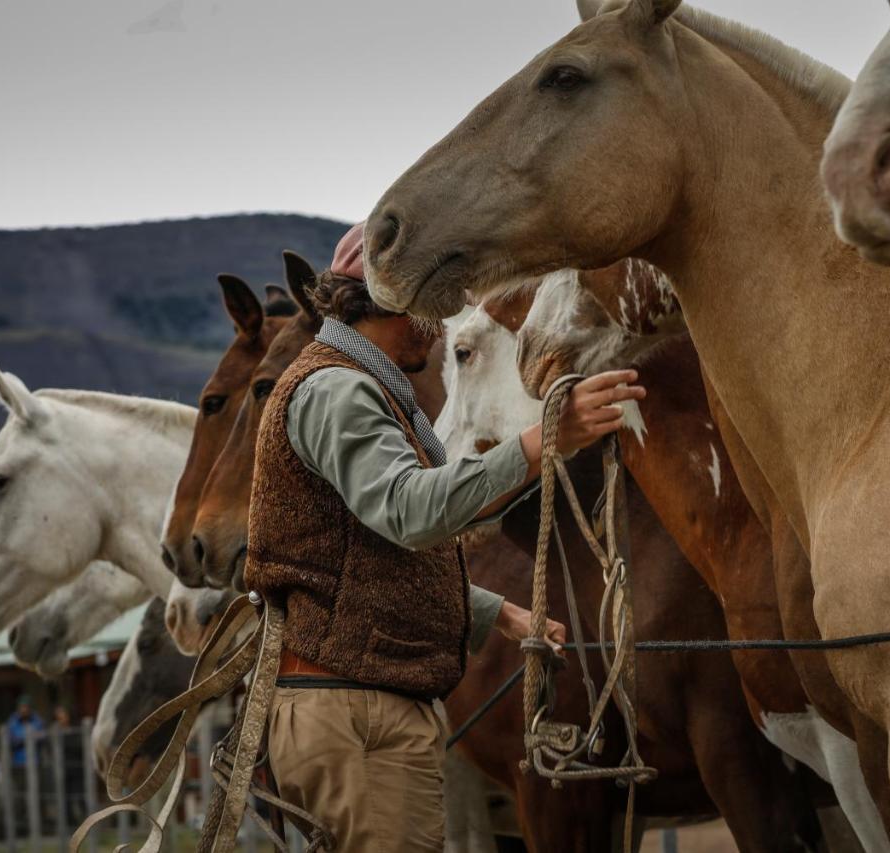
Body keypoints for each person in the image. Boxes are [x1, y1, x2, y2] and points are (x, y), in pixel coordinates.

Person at [244, 221, 646, 852]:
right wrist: (542, 441)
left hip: (352, 705)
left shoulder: (350, 384)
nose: (436, 335)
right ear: (398, 308)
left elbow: (362, 555)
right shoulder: (340, 391)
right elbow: (409, 512)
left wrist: (495, 612)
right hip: (358, 713)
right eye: (432, 314)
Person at [6, 695, 43, 768]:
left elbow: (42, 736)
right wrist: (29, 737)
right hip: (19, 762)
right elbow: (12, 740)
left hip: (35, 761)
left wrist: (23, 738)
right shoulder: (13, 721)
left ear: (30, 708)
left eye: (26, 707)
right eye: (21, 707)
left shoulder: (37, 720)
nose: (24, 710)